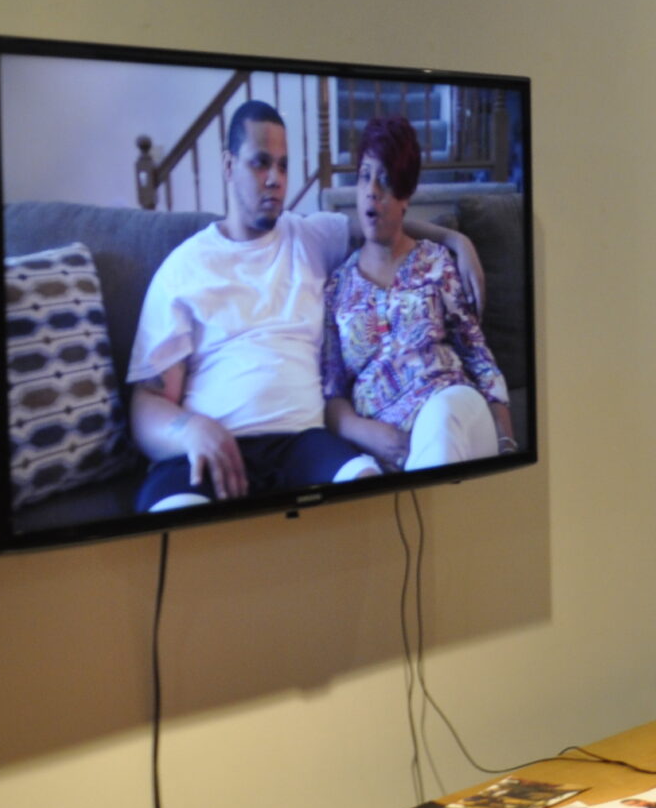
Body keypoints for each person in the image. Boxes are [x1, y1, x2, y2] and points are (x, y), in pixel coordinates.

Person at [127, 101, 483, 511]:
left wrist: (454, 240)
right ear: (228, 166)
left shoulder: (311, 236)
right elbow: (146, 402)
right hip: (215, 446)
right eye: (261, 164)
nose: (276, 179)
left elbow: (381, 224)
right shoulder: (184, 268)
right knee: (170, 515)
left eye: (283, 165)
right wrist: (191, 431)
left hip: (304, 444)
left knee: (372, 495)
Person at [318, 116, 514, 473]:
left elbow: (480, 360)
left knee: (440, 422)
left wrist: (507, 443)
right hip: (386, 444)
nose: (371, 191)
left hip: (453, 408)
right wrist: (368, 433)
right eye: (364, 175)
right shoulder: (337, 287)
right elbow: (332, 394)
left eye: (386, 180)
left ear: (406, 195)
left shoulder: (435, 262)